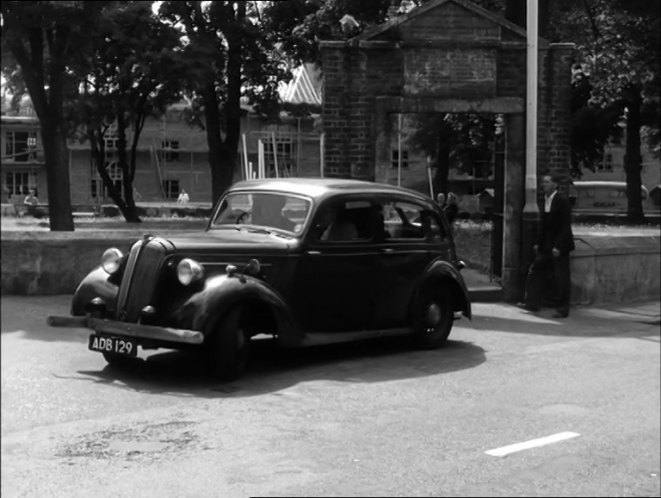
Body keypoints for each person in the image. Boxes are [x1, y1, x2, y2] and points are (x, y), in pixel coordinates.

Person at [518, 174, 575, 318]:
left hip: (558, 245)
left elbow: (564, 226)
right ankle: (532, 302)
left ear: (555, 185)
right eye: (543, 182)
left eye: (547, 182)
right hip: (546, 244)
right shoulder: (544, 201)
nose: (544, 185)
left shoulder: (561, 201)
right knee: (536, 270)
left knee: (561, 276)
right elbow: (543, 225)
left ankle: (563, 308)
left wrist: (559, 246)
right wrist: (538, 242)